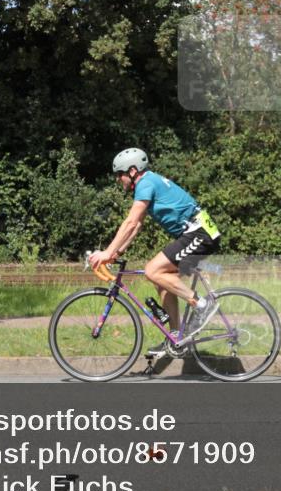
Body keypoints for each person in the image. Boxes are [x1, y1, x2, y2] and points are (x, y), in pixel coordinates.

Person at [88, 148, 221, 356]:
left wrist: (106, 252)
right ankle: (176, 338)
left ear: (132, 171)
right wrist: (117, 252)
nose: (118, 180)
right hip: (196, 233)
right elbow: (137, 225)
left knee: (152, 270)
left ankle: (202, 305)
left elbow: (131, 221)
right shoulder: (147, 183)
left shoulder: (145, 183)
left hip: (201, 232)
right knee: (162, 280)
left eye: (120, 174)